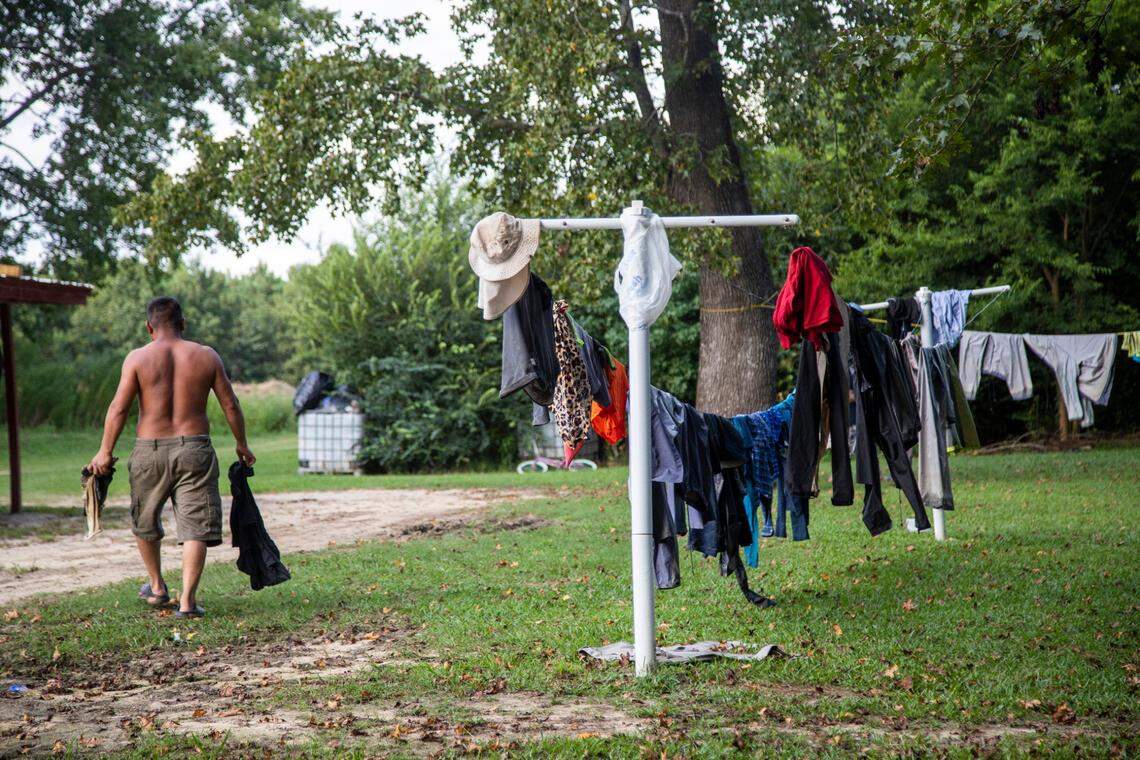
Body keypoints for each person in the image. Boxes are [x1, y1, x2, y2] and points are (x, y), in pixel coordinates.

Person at [86, 296, 255, 619]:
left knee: (145, 518)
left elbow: (118, 408)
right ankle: (188, 602)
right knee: (195, 525)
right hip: (194, 449)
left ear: (150, 327)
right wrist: (242, 444)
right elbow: (230, 404)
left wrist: (105, 450)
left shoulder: (137, 358)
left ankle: (157, 585)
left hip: (148, 450)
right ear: (183, 324)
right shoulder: (206, 356)